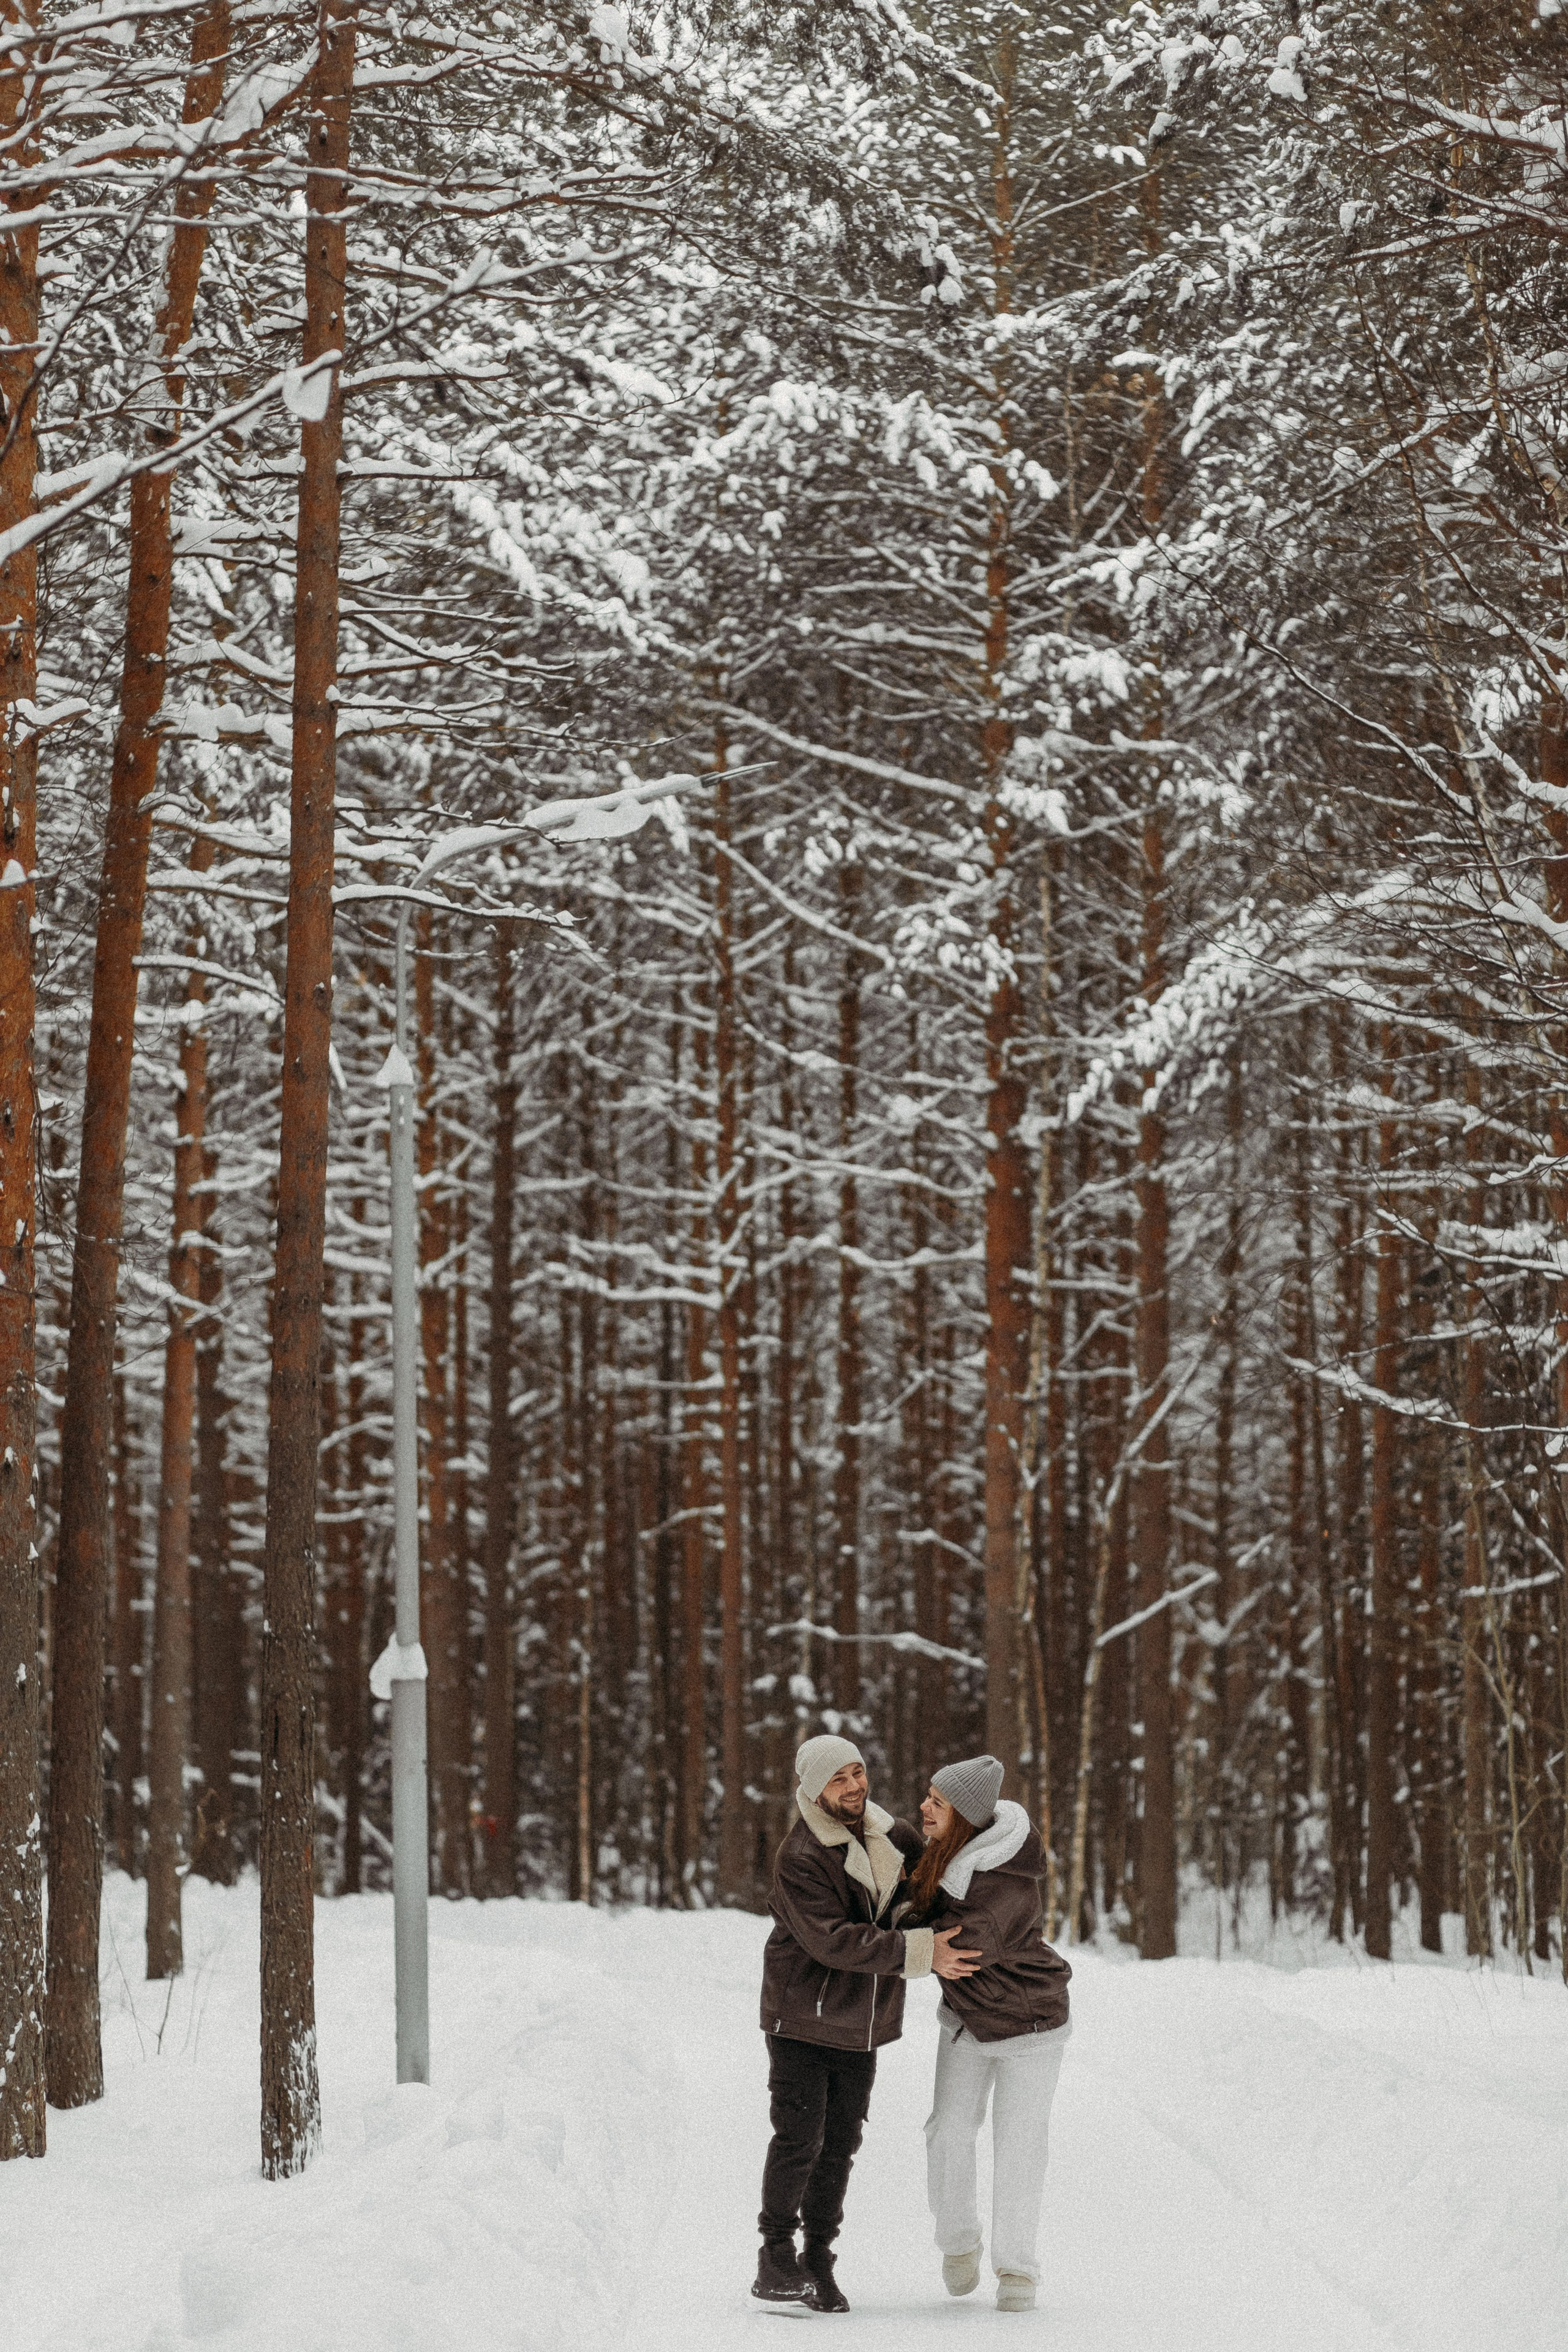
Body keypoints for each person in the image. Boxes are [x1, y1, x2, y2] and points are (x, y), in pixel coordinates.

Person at [753, 1733, 983, 2315]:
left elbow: (934, 1871)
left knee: (841, 2145)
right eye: (839, 1779)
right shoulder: (801, 1856)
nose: (855, 1786)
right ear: (813, 1790)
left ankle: (818, 2260)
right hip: (804, 2016)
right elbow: (834, 1942)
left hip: (861, 2023)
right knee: (800, 2137)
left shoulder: (889, 1834)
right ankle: (775, 2256)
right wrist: (921, 1952)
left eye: (857, 1773)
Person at [900, 1752, 1072, 2315]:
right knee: (946, 2131)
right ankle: (958, 2243)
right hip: (969, 2020)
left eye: (937, 1802)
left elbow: (959, 1948)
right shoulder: (946, 1856)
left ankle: (1017, 2267)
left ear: (966, 1820)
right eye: (928, 1795)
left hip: (1030, 2024)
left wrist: (897, 1930)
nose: (924, 1807)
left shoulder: (1007, 1885)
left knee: (1020, 2146)